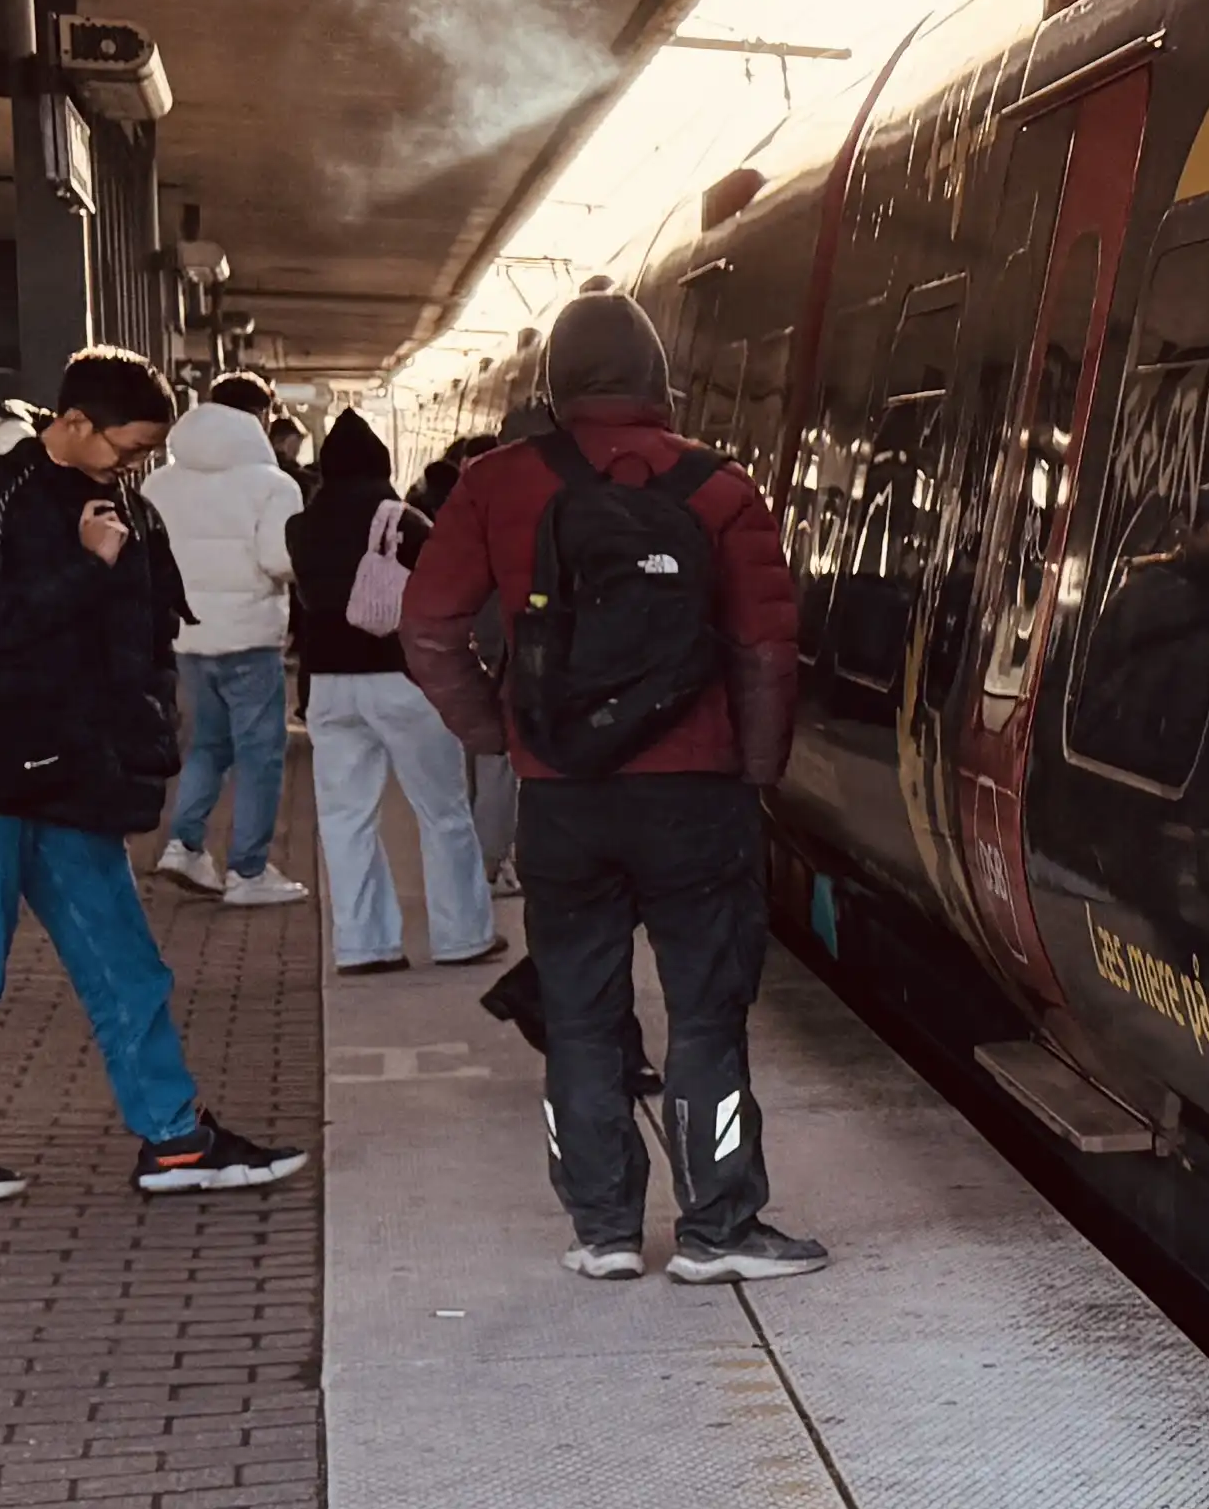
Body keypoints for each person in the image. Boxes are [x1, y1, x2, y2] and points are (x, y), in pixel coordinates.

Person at [400, 290, 823, 1285]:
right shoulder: (722, 490)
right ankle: (719, 1228)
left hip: (566, 800)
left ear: (553, 387)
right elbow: (767, 651)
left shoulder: (496, 486)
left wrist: (499, 734)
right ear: (658, 383)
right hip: (695, 798)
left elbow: (427, 629)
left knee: (583, 1018)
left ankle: (603, 1230)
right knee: (708, 1016)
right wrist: (754, 772)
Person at [0, 349, 312, 1202]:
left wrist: (139, 741)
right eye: (127, 447)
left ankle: (176, 1139)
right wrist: (83, 568)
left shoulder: (112, 502)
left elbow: (129, 636)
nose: (134, 464)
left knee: (125, 962)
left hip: (66, 768)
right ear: (75, 423)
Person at [284, 408, 495, 976]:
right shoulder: (406, 521)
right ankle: (461, 936)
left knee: (346, 818)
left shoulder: (300, 526)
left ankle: (364, 945)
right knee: (442, 811)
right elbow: (447, 591)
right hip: (403, 681)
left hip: (327, 687)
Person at [144, 380, 306, 907]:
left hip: (188, 637)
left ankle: (184, 844)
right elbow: (279, 561)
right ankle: (248, 871)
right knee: (260, 755)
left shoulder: (158, 484)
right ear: (258, 419)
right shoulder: (273, 485)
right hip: (249, 636)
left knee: (207, 746)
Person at [413, 435, 520, 897]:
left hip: (468, 646)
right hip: (504, 646)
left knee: (478, 757)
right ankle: (489, 865)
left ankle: (482, 859)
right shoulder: (520, 509)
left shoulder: (452, 512)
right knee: (498, 762)